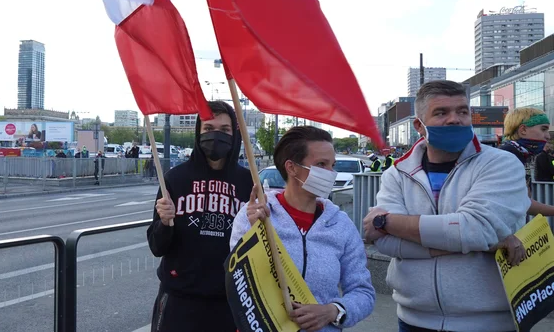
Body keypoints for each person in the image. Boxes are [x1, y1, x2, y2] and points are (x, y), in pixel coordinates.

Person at [362, 81, 529, 332]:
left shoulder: (501, 164)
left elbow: (475, 230)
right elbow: (384, 243)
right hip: (411, 320)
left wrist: (385, 222)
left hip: (488, 323)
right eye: (441, 113)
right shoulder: (397, 173)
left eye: (462, 111)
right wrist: (477, 243)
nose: (455, 120)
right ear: (419, 126)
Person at [235, 126, 375, 331]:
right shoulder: (255, 215)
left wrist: (333, 310)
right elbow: (239, 283)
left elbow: (363, 292)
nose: (331, 173)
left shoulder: (341, 225)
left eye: (332, 165)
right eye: (321, 164)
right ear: (291, 167)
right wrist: (253, 234)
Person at [147, 101, 254, 332]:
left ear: (235, 134)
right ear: (198, 132)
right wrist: (164, 223)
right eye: (208, 128)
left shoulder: (249, 183)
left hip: (230, 302)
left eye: (224, 130)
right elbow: (157, 247)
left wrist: (259, 224)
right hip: (180, 300)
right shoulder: (175, 179)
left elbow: (260, 249)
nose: (215, 135)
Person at [498, 107, 554, 216]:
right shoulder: (507, 157)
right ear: (523, 130)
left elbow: (523, 202)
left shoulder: (520, 154)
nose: (548, 136)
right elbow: (520, 203)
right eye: (543, 129)